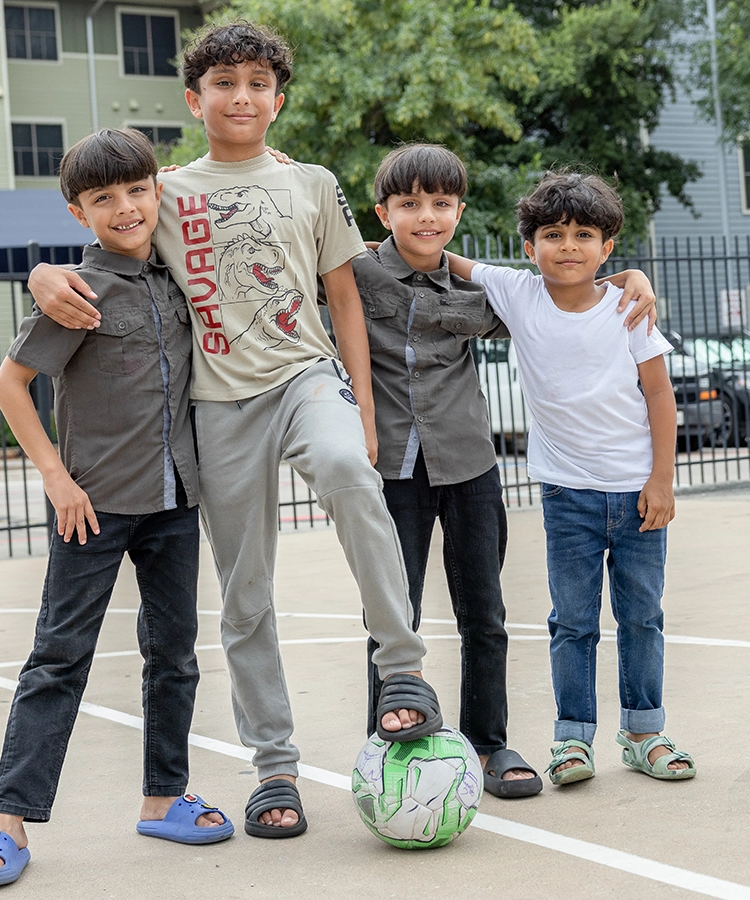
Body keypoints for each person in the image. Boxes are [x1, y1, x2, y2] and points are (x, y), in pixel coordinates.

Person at [28, 21, 441, 840]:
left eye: (258, 83)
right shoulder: (167, 189)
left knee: (351, 473)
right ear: (196, 99)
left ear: (278, 100)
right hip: (217, 408)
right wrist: (42, 271)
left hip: (303, 378)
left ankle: (402, 670)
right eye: (225, 83)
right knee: (245, 595)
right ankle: (274, 767)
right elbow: (104, 237)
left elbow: (347, 296)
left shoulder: (312, 183)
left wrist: (361, 404)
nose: (242, 96)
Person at [0, 128, 231, 890]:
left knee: (172, 655)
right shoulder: (75, 291)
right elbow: (11, 386)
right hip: (93, 507)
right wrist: (56, 478)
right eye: (102, 198)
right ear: (79, 213)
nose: (125, 208)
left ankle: (163, 796)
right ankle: (5, 824)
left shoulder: (180, 275)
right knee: (58, 659)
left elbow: (177, 180)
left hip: (176, 499)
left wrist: (160, 178)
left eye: (137, 190)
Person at [355, 145, 659, 799]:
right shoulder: (350, 276)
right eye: (409, 204)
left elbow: (568, 289)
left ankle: (486, 742)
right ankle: (386, 741)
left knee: (485, 617)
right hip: (391, 470)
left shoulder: (480, 290)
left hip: (468, 466)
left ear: (459, 212)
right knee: (391, 612)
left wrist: (632, 275)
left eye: (441, 204)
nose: (426, 216)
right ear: (382, 211)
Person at [447, 169, 696, 786]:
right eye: (553, 235)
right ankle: (573, 741)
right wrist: (379, 242)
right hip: (567, 497)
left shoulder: (629, 306)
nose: (569, 246)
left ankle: (644, 732)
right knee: (573, 621)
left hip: (638, 491)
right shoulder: (518, 292)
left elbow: (660, 396)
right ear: (530, 248)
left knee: (641, 615)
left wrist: (662, 479)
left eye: (585, 234)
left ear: (607, 247)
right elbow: (438, 254)